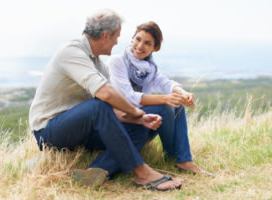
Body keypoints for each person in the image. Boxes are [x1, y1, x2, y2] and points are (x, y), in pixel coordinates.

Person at [29, 10, 183, 191]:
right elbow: (106, 94)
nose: (118, 41)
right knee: (97, 106)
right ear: (105, 36)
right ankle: (142, 173)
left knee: (137, 129)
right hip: (49, 131)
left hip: (81, 130)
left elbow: (112, 110)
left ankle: (96, 172)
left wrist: (138, 119)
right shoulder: (71, 51)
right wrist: (135, 111)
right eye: (116, 37)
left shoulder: (99, 65)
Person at [107, 21, 213, 176]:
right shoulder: (116, 61)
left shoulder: (149, 68)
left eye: (147, 43)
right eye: (138, 39)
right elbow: (128, 96)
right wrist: (165, 99)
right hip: (123, 122)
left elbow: (165, 83)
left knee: (177, 103)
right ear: (132, 38)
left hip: (144, 122)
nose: (140, 46)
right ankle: (176, 157)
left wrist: (183, 94)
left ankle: (183, 160)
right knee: (164, 106)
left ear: (155, 48)